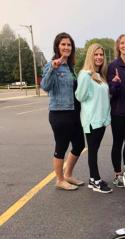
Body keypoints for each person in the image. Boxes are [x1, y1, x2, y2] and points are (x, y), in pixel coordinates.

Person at [41, 32, 85, 191]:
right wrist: (53, 68)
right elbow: (45, 87)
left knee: (79, 144)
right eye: (63, 44)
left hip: (74, 112)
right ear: (57, 47)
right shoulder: (52, 64)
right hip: (59, 113)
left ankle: (68, 174)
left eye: (69, 45)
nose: (66, 47)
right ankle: (59, 180)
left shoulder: (71, 67)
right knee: (61, 146)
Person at [75, 43, 112, 193]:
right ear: (90, 55)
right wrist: (86, 78)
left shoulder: (99, 75)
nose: (99, 57)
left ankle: (92, 179)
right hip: (91, 120)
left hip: (101, 120)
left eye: (101, 55)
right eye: (96, 54)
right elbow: (80, 96)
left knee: (94, 149)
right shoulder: (85, 74)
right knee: (93, 151)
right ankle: (96, 181)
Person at [107, 34, 125, 188]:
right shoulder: (113, 66)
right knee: (118, 143)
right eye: (122, 43)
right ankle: (117, 174)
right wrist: (116, 84)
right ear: (118, 46)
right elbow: (111, 91)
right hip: (118, 112)